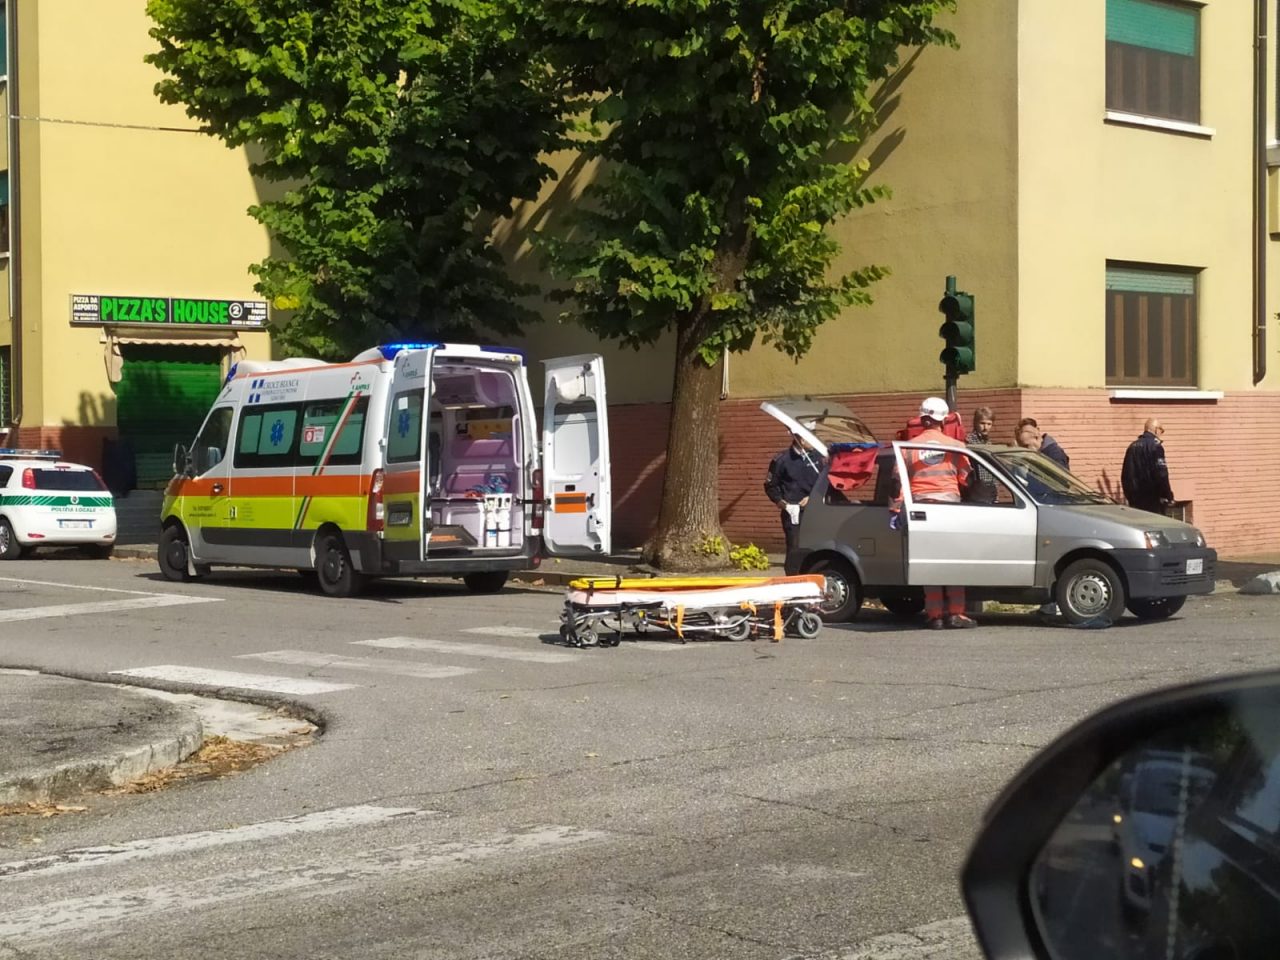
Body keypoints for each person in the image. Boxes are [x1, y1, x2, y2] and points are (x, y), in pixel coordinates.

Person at [893, 397, 977, 630]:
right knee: (952, 562)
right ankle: (956, 613)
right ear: (944, 419)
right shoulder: (955, 447)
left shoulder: (908, 447)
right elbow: (966, 479)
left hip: (921, 511)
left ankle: (935, 615)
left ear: (922, 418)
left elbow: (897, 481)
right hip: (950, 509)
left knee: (929, 564)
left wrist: (896, 508)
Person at [764, 423, 825, 565]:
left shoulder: (819, 458)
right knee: (795, 549)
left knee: (818, 547)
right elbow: (770, 485)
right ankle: (793, 578)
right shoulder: (782, 460)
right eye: (812, 436)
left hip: (817, 510)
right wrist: (783, 504)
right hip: (794, 512)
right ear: (802, 440)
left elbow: (826, 483)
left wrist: (812, 498)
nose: (815, 440)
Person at [1121, 418, 1174, 515]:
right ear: (1156, 429)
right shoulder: (1155, 447)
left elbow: (1125, 475)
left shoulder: (1132, 447)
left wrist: (1130, 497)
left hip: (1135, 501)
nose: (1160, 435)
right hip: (1153, 500)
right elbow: (1161, 474)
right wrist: (1167, 495)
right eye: (1161, 431)